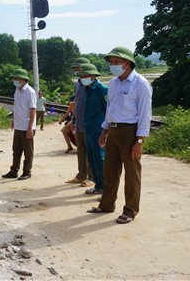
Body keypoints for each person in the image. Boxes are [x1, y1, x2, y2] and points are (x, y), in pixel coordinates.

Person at [87, 46, 152, 225]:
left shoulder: (140, 84)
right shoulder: (114, 83)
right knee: (110, 171)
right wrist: (105, 130)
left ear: (128, 63)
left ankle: (130, 210)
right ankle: (106, 204)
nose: (113, 65)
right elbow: (110, 108)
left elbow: (145, 114)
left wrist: (139, 140)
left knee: (132, 174)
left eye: (117, 62)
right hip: (113, 130)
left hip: (130, 131)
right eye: (111, 62)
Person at [77, 64, 108, 196]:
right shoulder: (86, 90)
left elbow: (108, 111)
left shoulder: (102, 90)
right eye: (82, 76)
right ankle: (98, 185)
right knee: (92, 159)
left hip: (98, 130)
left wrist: (106, 131)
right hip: (88, 129)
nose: (83, 78)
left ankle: (106, 189)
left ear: (94, 76)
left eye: (86, 75)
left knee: (100, 160)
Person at [2, 69, 37, 180]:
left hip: (27, 126)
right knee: (16, 150)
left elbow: (32, 110)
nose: (15, 81)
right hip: (18, 125)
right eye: (14, 79)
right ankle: (14, 170)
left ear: (23, 79)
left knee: (28, 151)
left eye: (17, 78)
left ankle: (27, 171)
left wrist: (30, 127)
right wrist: (14, 120)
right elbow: (17, 106)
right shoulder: (17, 90)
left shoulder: (30, 92)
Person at [65, 57, 94, 186]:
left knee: (91, 151)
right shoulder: (77, 84)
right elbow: (76, 103)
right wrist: (74, 121)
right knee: (81, 150)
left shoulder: (92, 85)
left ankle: (92, 177)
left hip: (90, 124)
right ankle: (81, 175)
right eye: (75, 69)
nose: (76, 71)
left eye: (78, 68)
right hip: (79, 123)